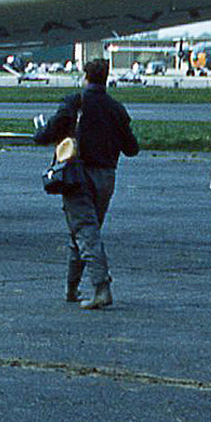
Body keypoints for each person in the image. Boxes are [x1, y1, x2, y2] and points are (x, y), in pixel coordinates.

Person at [33, 58, 139, 309]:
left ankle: (102, 288)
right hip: (106, 178)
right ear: (106, 78)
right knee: (83, 232)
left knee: (84, 232)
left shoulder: (74, 102)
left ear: (85, 77)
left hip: (78, 176)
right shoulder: (117, 109)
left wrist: (38, 133)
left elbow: (49, 132)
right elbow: (132, 148)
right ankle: (71, 288)